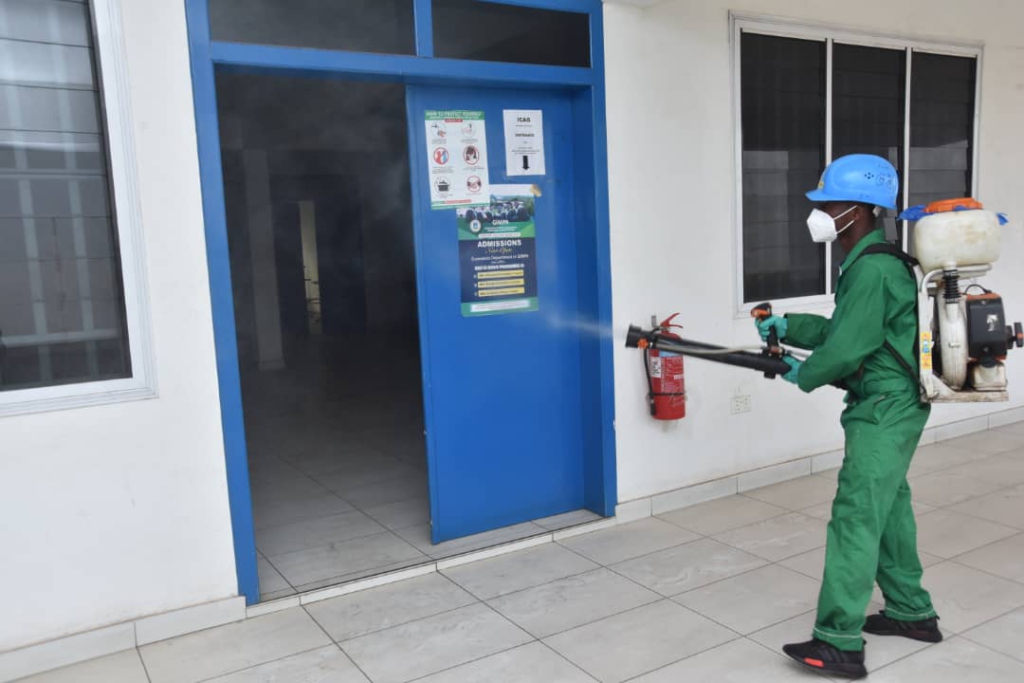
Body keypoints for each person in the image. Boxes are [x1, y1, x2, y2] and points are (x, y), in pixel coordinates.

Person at [755, 154, 941, 679]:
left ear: (856, 210)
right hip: (892, 401)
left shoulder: (875, 267)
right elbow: (849, 331)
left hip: (884, 406)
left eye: (828, 204)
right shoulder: (873, 262)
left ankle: (838, 640)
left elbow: (848, 349)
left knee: (857, 514)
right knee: (889, 508)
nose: (820, 212)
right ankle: (911, 612)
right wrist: (788, 326)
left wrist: (802, 373)